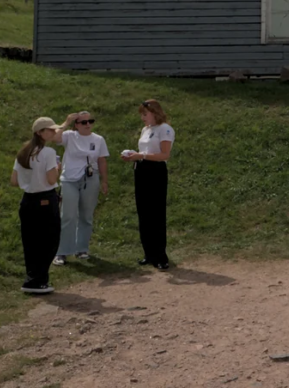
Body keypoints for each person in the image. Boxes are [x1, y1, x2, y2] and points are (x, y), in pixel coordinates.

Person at [11, 115, 74, 294]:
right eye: (50, 130)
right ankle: (39, 280)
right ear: (40, 132)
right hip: (45, 199)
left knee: (30, 241)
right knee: (49, 240)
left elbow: (14, 181)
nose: (54, 132)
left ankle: (32, 278)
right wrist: (57, 167)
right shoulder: (47, 153)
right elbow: (51, 179)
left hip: (27, 200)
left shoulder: (23, 151)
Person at [122, 99, 174, 270]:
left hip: (155, 170)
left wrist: (141, 156)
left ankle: (161, 255)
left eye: (145, 114)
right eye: (142, 115)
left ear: (154, 113)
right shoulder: (146, 129)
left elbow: (164, 155)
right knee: (143, 211)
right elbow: (144, 150)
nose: (143, 118)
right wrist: (134, 156)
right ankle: (149, 253)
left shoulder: (164, 129)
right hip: (141, 169)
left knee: (156, 213)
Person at [54, 111, 109, 266]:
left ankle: (81, 248)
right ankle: (62, 252)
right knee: (68, 216)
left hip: (91, 179)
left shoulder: (98, 139)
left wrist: (104, 181)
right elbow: (55, 138)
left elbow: (102, 160)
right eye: (83, 122)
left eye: (90, 121)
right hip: (70, 180)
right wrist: (66, 122)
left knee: (86, 215)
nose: (88, 125)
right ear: (76, 125)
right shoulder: (69, 136)